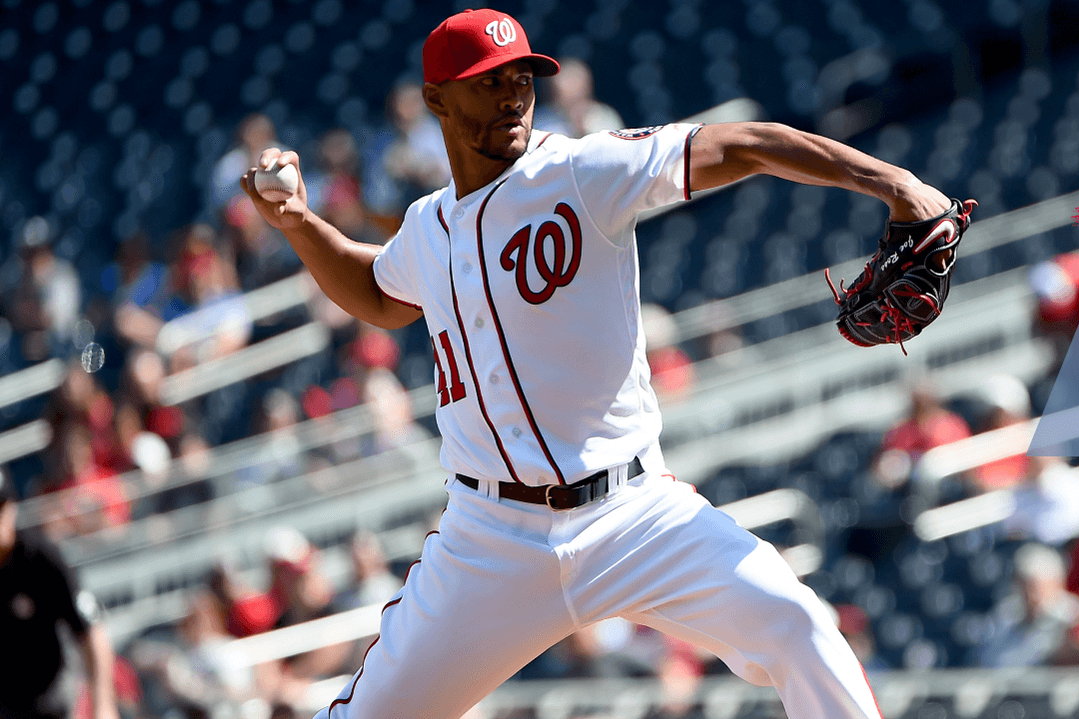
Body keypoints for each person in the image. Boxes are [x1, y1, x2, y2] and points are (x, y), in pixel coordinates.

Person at [240, 9, 952, 718]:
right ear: (437, 100)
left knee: (798, 627)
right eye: (489, 83)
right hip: (490, 540)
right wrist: (298, 222)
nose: (513, 97)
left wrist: (894, 182)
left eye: (522, 79)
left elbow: (746, 143)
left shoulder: (581, 171)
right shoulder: (428, 226)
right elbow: (375, 291)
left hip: (632, 515)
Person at [0, 472, 120, 719]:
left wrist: (103, 706)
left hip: (50, 697)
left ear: (11, 508)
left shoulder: (40, 557)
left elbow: (91, 630)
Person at [977, 543, 1079, 668]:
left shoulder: (1072, 615)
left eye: (1039, 588)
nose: (1033, 596)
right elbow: (987, 658)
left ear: (1057, 584)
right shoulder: (1006, 613)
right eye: (1027, 588)